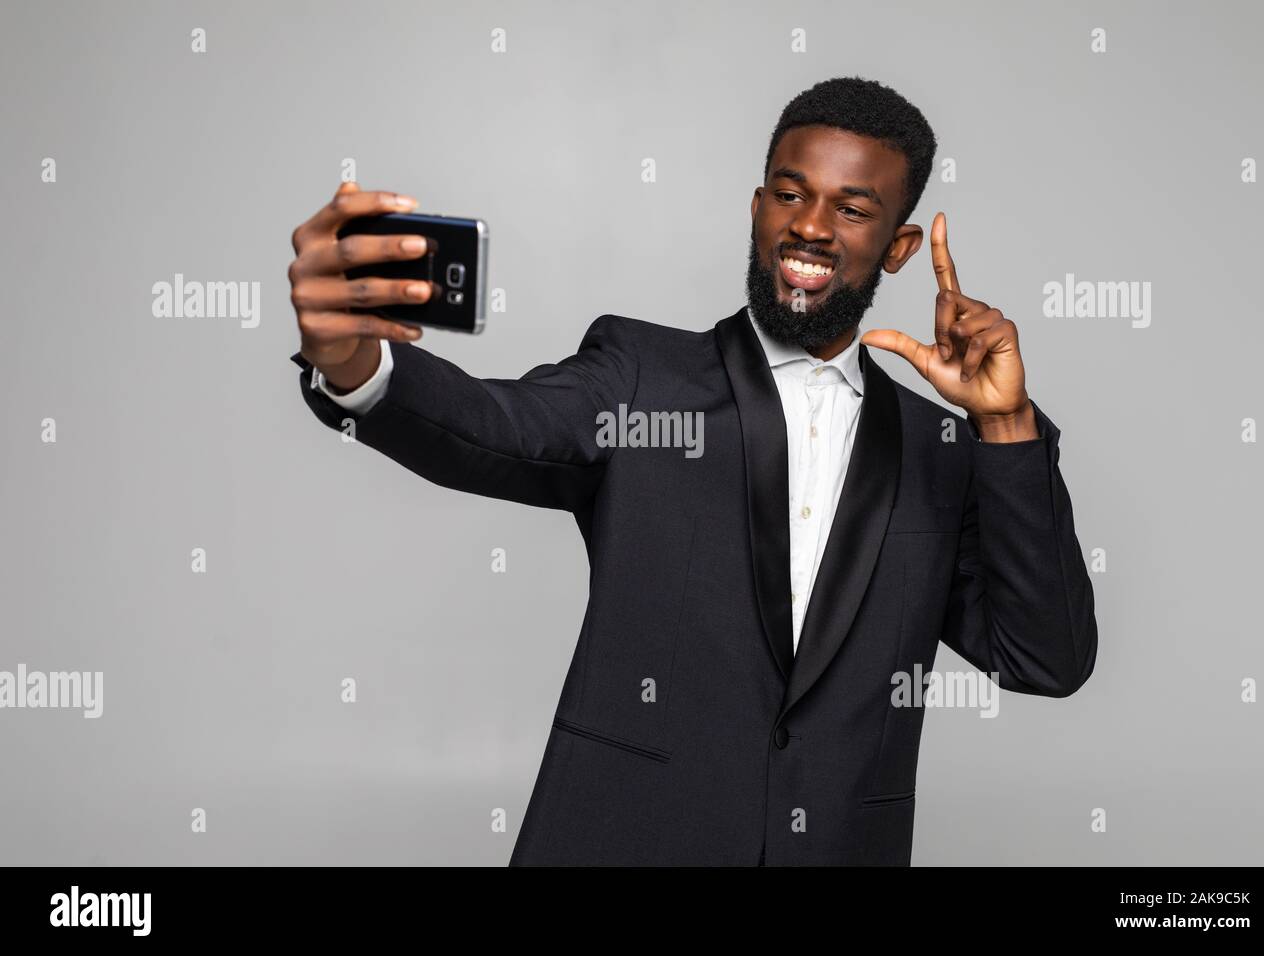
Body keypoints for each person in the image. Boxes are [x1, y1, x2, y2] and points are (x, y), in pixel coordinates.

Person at [286, 76, 1098, 865]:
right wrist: (356, 359)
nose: (811, 226)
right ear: (756, 209)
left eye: (852, 209)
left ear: (898, 248)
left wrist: (1004, 423)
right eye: (790, 194)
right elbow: (495, 426)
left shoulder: (943, 452)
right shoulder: (642, 376)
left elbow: (1045, 658)